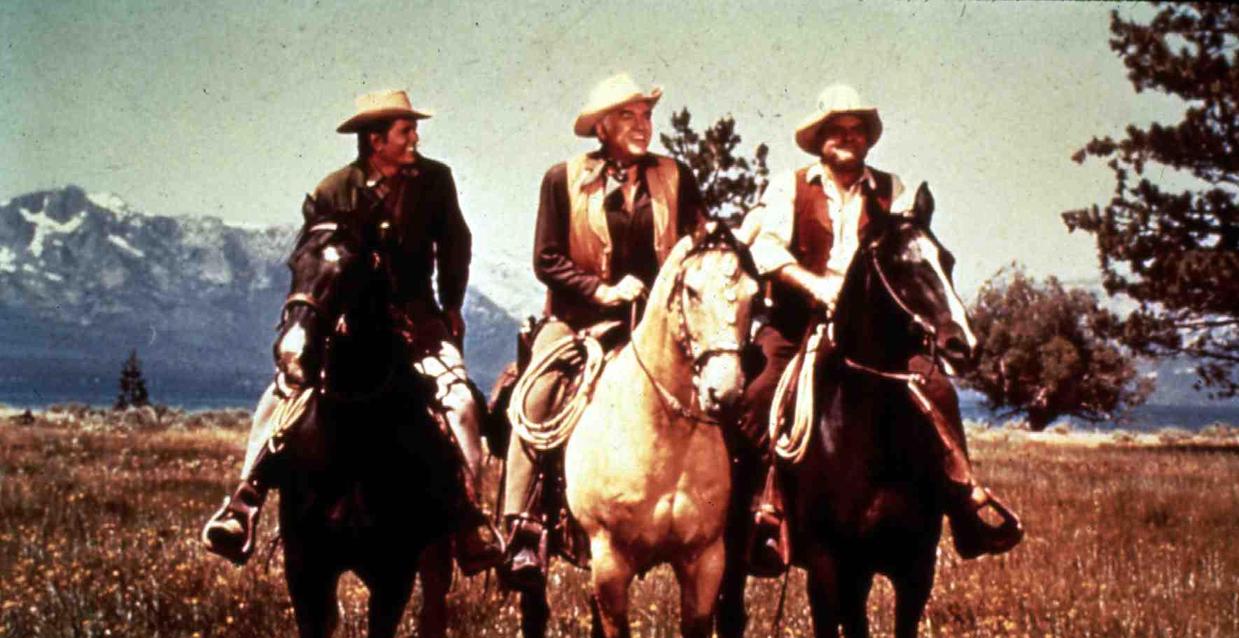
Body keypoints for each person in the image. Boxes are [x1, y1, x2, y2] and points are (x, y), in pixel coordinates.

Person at [202, 89, 498, 574]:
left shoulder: (435, 180)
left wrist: (452, 306)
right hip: (342, 323)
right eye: (405, 131)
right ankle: (244, 502)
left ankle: (470, 518)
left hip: (418, 317)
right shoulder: (332, 191)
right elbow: (313, 261)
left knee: (461, 403)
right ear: (375, 139)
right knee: (278, 399)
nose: (414, 138)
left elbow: (455, 245)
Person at [740, 84, 1023, 570]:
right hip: (798, 320)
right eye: (837, 130)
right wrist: (816, 287)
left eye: (857, 130)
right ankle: (762, 510)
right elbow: (765, 249)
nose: (848, 138)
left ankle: (964, 506)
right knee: (762, 392)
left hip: (876, 334)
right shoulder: (791, 186)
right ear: (820, 140)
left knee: (938, 390)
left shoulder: (895, 190)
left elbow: (914, 251)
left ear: (868, 139)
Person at [501, 73, 706, 590]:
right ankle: (524, 527)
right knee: (538, 395)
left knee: (723, 389)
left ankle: (743, 512)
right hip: (578, 320)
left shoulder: (676, 176)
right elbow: (546, 259)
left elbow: (698, 243)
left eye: (646, 116)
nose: (642, 126)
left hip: (659, 327)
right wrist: (601, 291)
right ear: (602, 128)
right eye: (628, 117)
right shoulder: (562, 179)